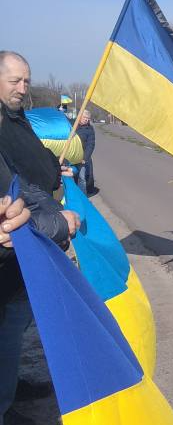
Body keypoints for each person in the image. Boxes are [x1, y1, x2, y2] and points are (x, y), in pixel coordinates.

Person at [0, 50, 81, 425]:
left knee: (12, 335)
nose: (22, 88)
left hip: (17, 264)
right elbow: (13, 205)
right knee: (8, 328)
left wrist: (54, 169)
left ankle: (9, 389)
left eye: (26, 81)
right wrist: (59, 224)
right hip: (10, 255)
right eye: (15, 80)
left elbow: (26, 174)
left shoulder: (15, 119)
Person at [75, 109, 96, 195]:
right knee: (70, 177)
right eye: (85, 117)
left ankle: (82, 197)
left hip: (82, 157)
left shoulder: (90, 129)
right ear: (79, 117)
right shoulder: (73, 125)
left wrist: (85, 158)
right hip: (70, 156)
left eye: (88, 118)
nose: (87, 120)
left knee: (81, 177)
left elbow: (90, 145)